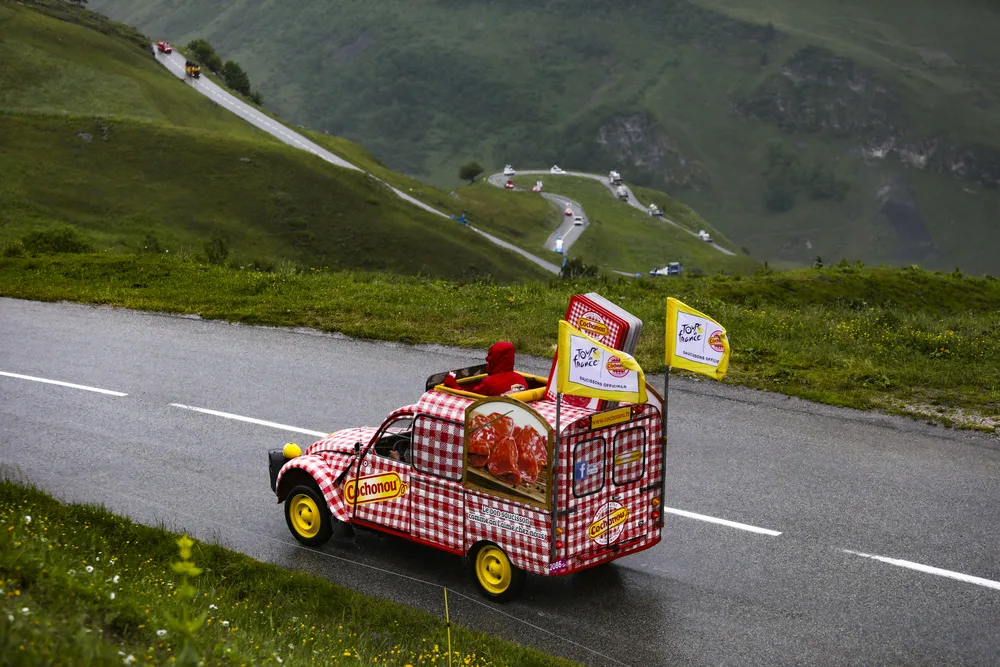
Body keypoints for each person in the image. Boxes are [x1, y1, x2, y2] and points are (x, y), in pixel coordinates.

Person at [443, 341, 528, 396]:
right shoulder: (521, 379)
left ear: (494, 359)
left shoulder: (490, 383)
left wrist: (453, 385)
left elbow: (469, 398)